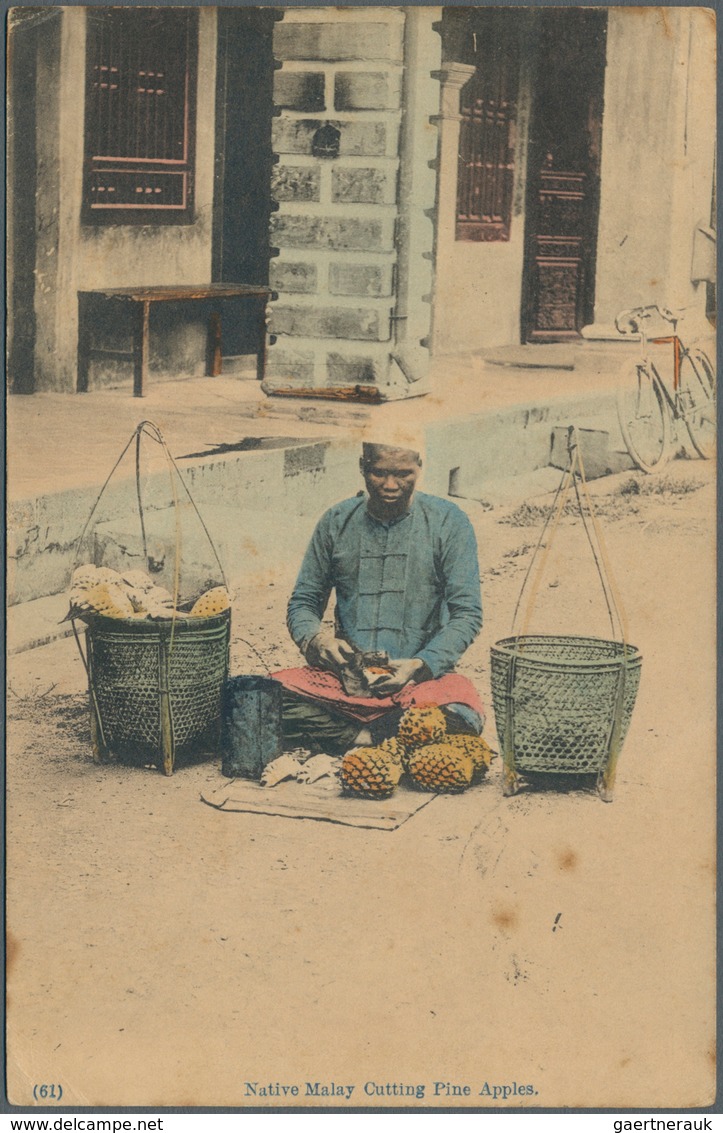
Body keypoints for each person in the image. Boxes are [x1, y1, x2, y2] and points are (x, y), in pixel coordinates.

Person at [273, 441, 484, 755]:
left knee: (462, 712)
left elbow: (467, 614)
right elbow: (304, 600)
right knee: (260, 697)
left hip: (418, 682)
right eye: (379, 473)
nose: (390, 485)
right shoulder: (336, 521)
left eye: (403, 474)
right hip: (347, 682)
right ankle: (381, 737)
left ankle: (352, 736)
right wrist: (317, 642)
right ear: (362, 467)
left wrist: (419, 664)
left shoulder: (448, 522)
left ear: (420, 466)